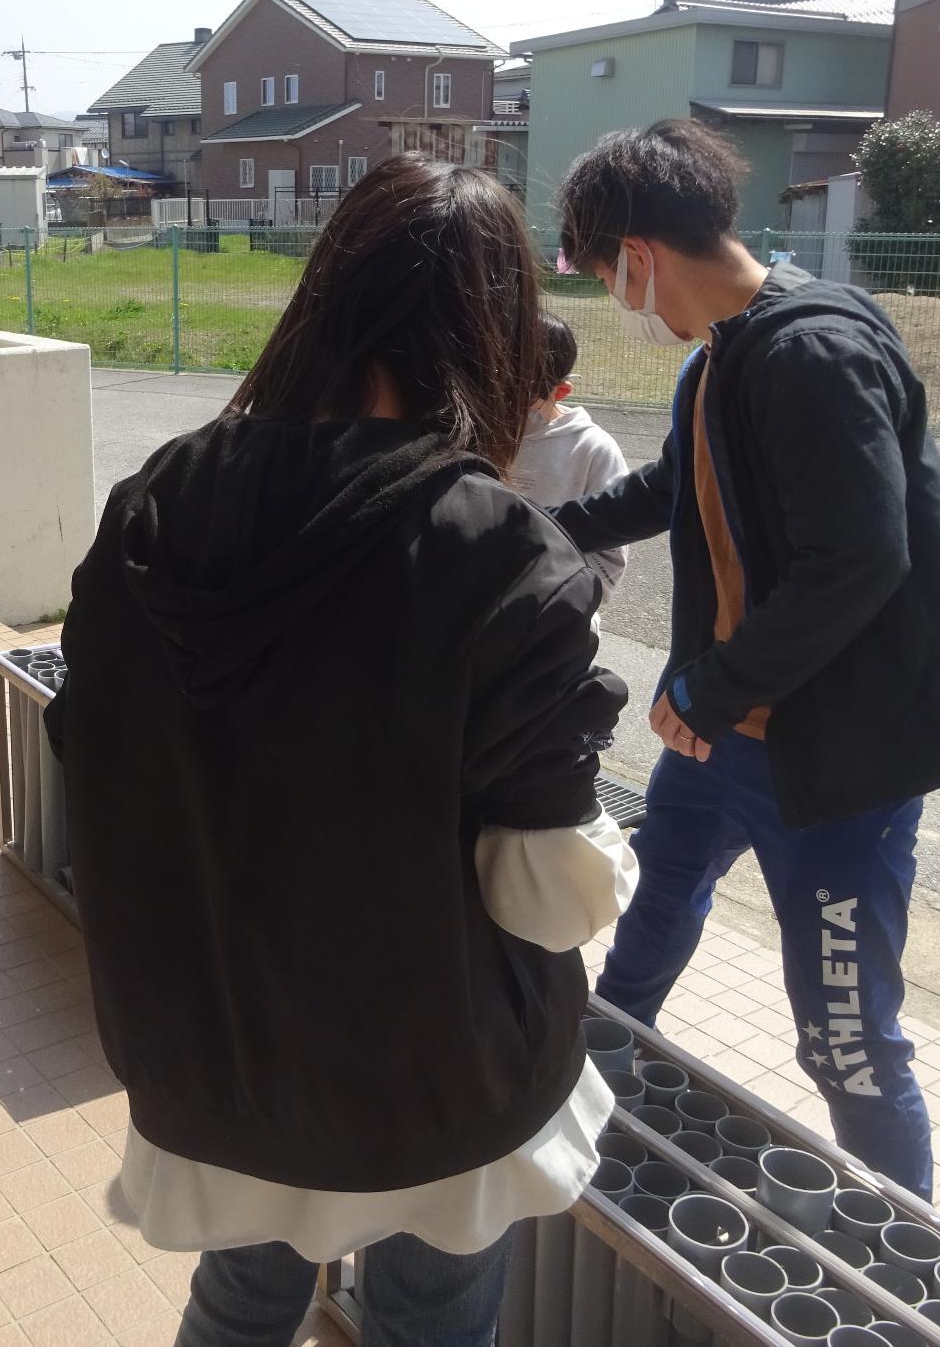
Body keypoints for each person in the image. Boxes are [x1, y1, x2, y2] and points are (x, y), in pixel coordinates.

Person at [45, 157, 636, 1347]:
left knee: (235, 1307)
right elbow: (542, 896)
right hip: (433, 1079)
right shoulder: (498, 551)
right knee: (430, 1320)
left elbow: (94, 755)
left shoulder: (157, 499)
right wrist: (611, 857)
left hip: (217, 1052)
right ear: (495, 329)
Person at [547, 119, 940, 1201]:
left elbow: (859, 560)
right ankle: (598, 1103)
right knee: (649, 924)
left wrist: (712, 686)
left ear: (637, 255)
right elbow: (677, 480)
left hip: (833, 764)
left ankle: (908, 1259)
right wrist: (542, 531)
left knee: (845, 1038)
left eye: (606, 275)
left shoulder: (813, 352)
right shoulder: (725, 353)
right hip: (721, 738)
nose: (619, 300)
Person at [507, 312, 628, 601]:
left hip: (552, 611)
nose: (502, 402)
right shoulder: (472, 434)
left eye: (521, 395)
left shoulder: (593, 449)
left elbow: (610, 559)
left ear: (561, 391)